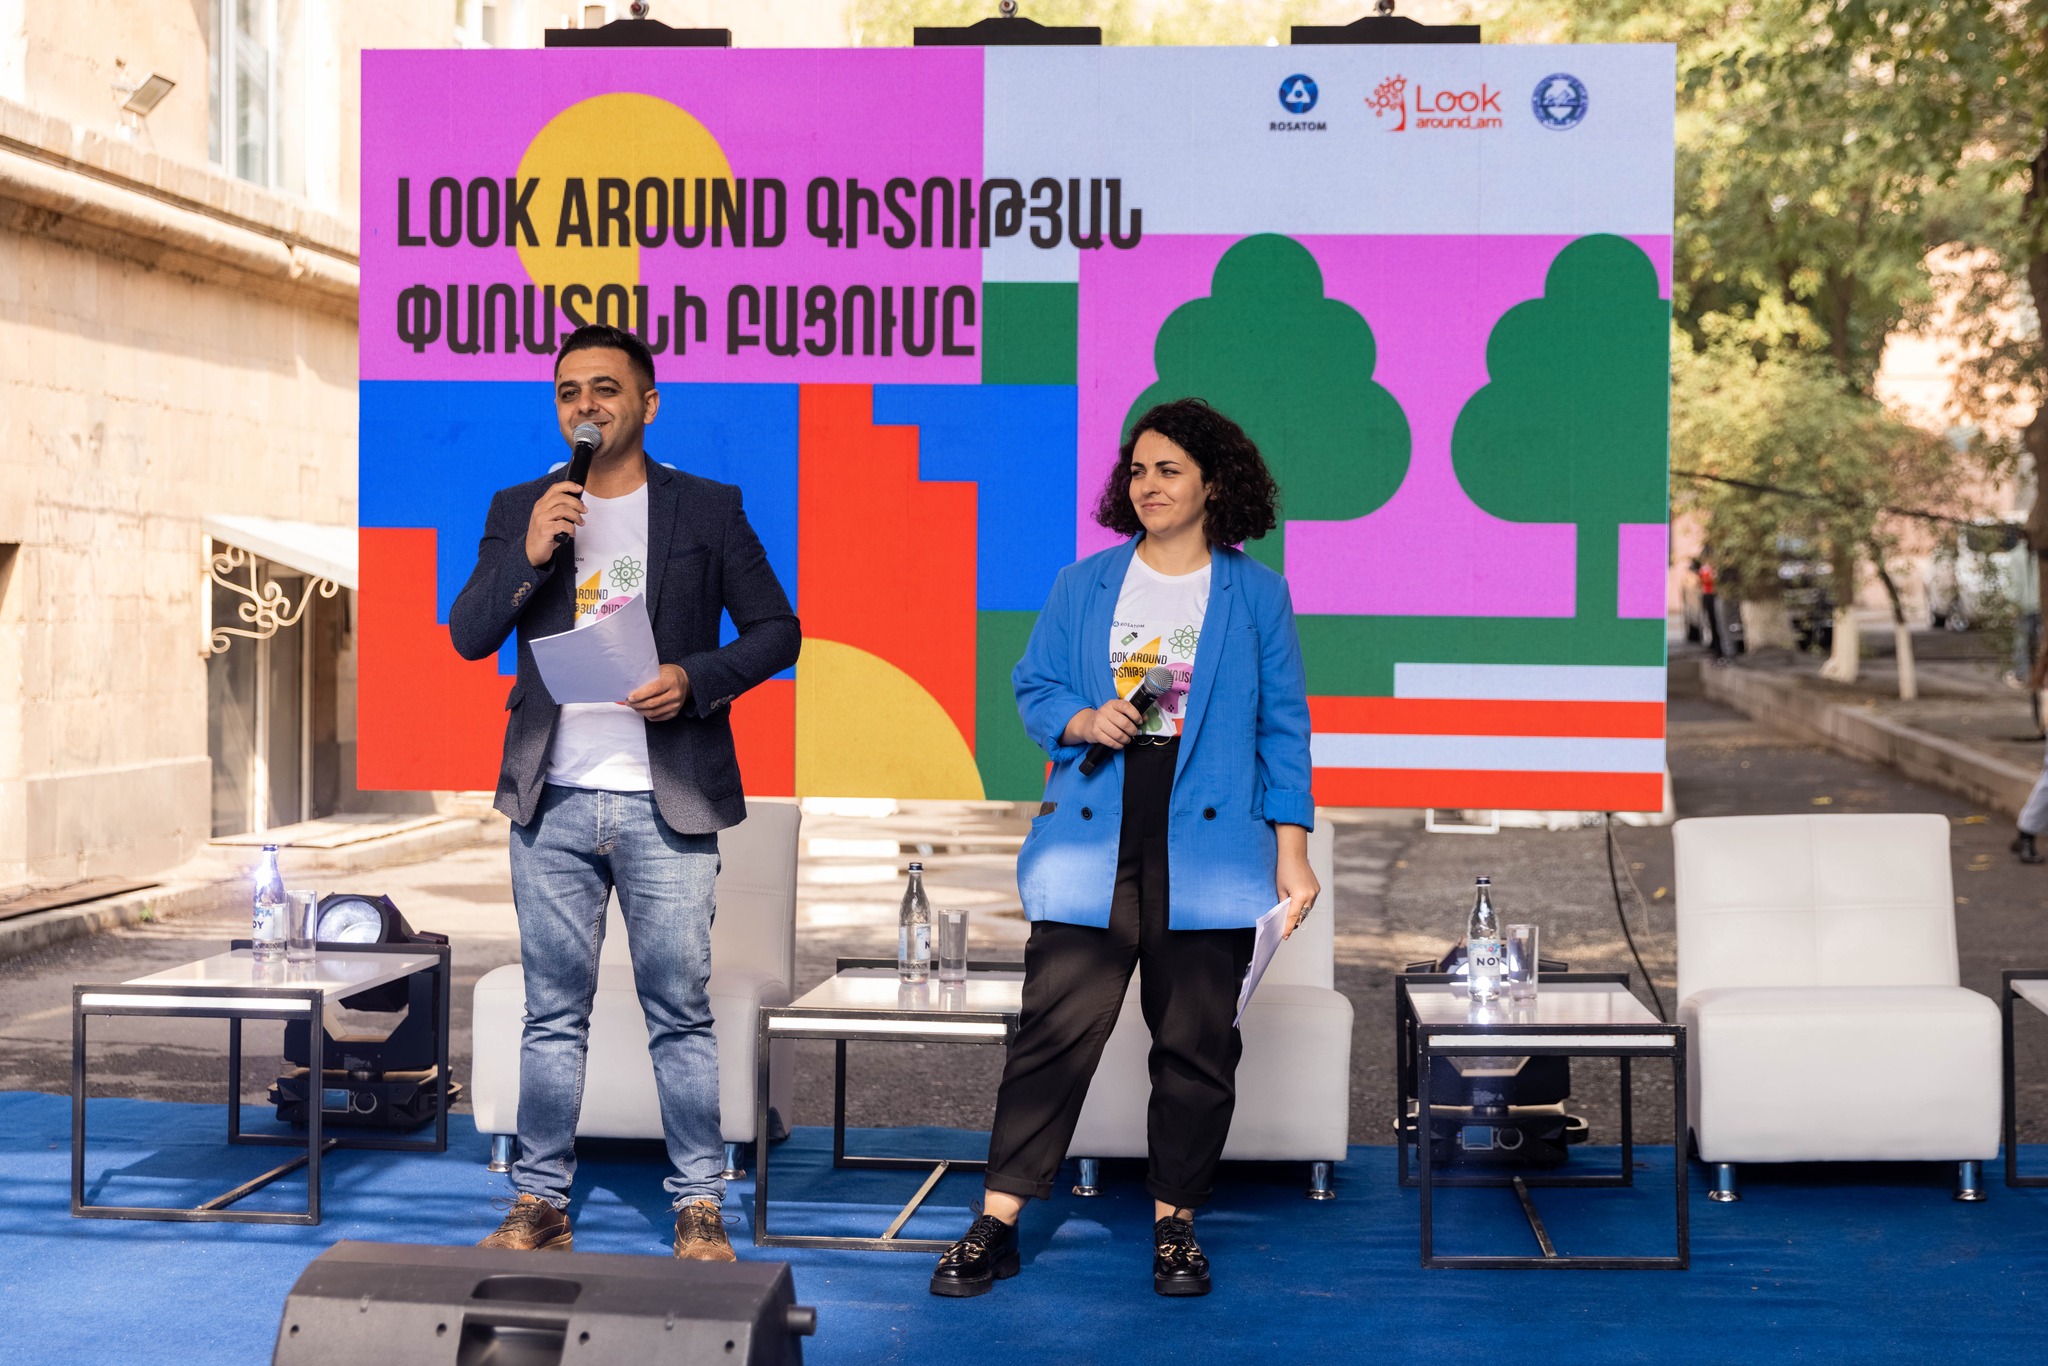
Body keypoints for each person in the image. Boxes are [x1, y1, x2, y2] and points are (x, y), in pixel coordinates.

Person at [929, 397, 1319, 1300]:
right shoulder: (1085, 584)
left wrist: (1292, 853)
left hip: (1213, 843)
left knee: (1196, 1048)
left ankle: (1175, 1226)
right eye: (1138, 470)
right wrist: (1080, 718)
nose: (1148, 485)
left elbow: (1283, 729)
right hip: (1093, 829)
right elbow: (1034, 686)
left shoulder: (1258, 594)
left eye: (1169, 469)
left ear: (1214, 484)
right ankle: (996, 1223)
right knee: (1051, 1039)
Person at [449, 323, 800, 1258]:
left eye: (605, 389)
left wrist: (694, 677)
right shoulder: (525, 506)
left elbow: (778, 631)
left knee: (678, 1009)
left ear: (648, 402)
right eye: (569, 391)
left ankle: (698, 1203)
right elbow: (470, 634)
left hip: (665, 795)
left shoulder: (707, 508)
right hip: (552, 797)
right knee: (551, 1013)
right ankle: (539, 1202)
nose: (586, 406)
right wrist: (528, 554)